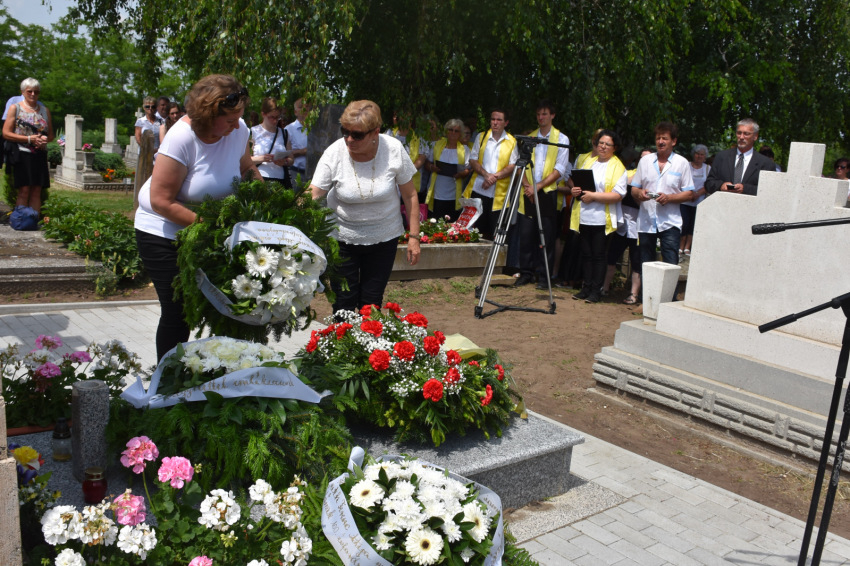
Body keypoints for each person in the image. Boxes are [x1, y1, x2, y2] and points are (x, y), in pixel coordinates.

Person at [134, 74, 261, 361]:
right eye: (230, 119)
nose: (237, 125)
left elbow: (246, 167)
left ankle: (219, 370)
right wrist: (212, 229)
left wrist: (265, 203)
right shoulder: (181, 138)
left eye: (239, 117)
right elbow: (161, 200)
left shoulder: (238, 129)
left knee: (226, 304)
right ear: (207, 115)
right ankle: (168, 377)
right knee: (178, 310)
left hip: (211, 231)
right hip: (163, 232)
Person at [309, 100, 421, 313]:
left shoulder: (393, 149)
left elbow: (410, 195)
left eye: (357, 135)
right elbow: (314, 193)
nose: (349, 139)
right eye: (345, 132)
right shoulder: (335, 152)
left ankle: (367, 336)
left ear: (375, 132)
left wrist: (414, 237)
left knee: (371, 303)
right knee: (343, 303)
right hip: (342, 238)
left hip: (384, 238)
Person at [515, 101, 570, 288]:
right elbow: (520, 165)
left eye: (545, 114)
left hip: (546, 192)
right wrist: (527, 186)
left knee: (546, 236)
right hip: (527, 191)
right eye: (539, 114)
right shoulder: (529, 137)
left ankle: (544, 276)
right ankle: (526, 273)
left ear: (552, 115)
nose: (541, 117)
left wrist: (537, 187)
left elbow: (559, 169)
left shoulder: (561, 139)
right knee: (526, 235)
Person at [569, 130, 627, 303]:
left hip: (602, 217)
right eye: (601, 143)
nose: (603, 147)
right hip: (585, 214)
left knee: (599, 255)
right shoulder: (589, 161)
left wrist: (594, 196)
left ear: (614, 147)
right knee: (586, 254)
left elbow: (618, 195)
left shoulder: (618, 167)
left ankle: (596, 290)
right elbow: (579, 183)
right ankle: (586, 287)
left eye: (607, 144)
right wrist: (575, 190)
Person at [630, 122, 695, 267]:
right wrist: (640, 193)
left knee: (670, 265)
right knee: (646, 265)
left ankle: (668, 285)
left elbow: (689, 194)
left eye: (665, 138)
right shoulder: (645, 161)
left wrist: (669, 198)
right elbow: (634, 189)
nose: (660, 142)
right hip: (646, 221)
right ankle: (645, 284)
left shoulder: (681, 163)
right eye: (658, 138)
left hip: (670, 222)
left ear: (674, 141)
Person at [463, 108, 518, 240]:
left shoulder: (512, 141)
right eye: (493, 119)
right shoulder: (481, 137)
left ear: (506, 123)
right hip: (479, 189)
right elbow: (473, 159)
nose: (495, 122)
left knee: (495, 232)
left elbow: (513, 165)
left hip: (498, 195)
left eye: (499, 120)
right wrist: (486, 175)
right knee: (476, 231)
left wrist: (493, 178)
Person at [2, 78, 54, 214]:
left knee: (37, 190)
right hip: (22, 153)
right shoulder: (15, 108)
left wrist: (44, 139)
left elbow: (51, 135)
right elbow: (6, 133)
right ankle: (21, 220)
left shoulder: (44, 111)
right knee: (24, 190)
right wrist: (29, 139)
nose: (33, 94)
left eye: (36, 92)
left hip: (40, 154)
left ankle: (33, 220)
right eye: (29, 91)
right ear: (23, 92)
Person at [705, 118, 775, 196]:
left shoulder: (766, 164)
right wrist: (721, 186)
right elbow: (708, 183)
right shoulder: (722, 157)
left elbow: (769, 191)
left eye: (746, 134)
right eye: (739, 133)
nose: (741, 137)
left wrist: (745, 189)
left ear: (755, 136)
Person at [423, 118, 470, 221]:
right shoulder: (436, 145)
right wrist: (432, 167)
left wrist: (461, 174)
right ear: (446, 131)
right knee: (434, 222)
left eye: (456, 131)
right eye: (450, 130)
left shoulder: (465, 150)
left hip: (454, 194)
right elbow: (426, 163)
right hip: (436, 193)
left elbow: (468, 170)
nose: (453, 133)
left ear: (460, 134)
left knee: (451, 224)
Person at [250, 98, 294, 186]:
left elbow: (291, 159)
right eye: (272, 117)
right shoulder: (253, 132)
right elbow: (246, 160)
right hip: (259, 178)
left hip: (280, 181)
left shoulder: (284, 133)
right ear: (263, 114)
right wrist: (262, 158)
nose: (275, 121)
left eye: (277, 117)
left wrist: (284, 162)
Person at [678, 144, 710, 258]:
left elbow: (709, 184)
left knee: (693, 225)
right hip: (685, 200)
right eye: (697, 154)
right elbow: (680, 181)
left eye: (702, 154)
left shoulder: (708, 168)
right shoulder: (686, 166)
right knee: (684, 224)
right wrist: (690, 194)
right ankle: (680, 246)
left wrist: (697, 194)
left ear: (705, 156)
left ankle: (687, 247)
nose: (699, 156)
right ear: (693, 154)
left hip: (699, 202)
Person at [285, 97, 310, 184]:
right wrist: (302, 152)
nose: (305, 109)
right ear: (295, 112)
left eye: (307, 106)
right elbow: (284, 154)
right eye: (301, 106)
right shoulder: (288, 130)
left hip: (314, 174)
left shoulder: (316, 129)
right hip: (296, 173)